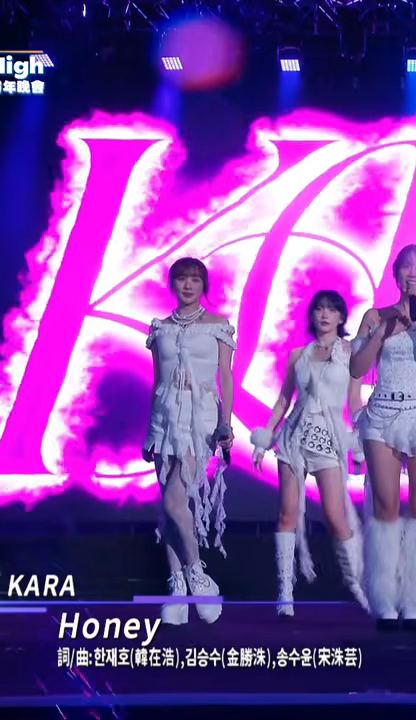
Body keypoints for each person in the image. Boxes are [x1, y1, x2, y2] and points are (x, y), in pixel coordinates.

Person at [349, 244, 416, 632]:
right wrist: (384, 329)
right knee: (386, 507)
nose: (413, 273)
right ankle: (385, 599)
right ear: (396, 274)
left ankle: (415, 600)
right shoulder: (375, 316)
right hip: (382, 415)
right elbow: (357, 366)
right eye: (406, 267)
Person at [251, 290, 370, 618]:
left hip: (329, 438)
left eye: (331, 310)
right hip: (293, 437)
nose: (324, 315)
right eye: (319, 309)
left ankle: (355, 584)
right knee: (287, 514)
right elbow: (283, 400)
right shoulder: (298, 355)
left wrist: (362, 441)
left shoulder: (351, 353)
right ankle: (285, 592)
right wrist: (264, 438)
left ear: (341, 317)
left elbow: (355, 401)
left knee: (335, 516)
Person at [142, 257, 236, 626]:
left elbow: (225, 377)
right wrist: (149, 430)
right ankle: (177, 588)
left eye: (195, 280)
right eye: (181, 279)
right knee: (167, 509)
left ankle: (198, 576)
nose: (187, 285)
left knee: (175, 499)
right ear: (172, 284)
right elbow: (157, 381)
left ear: (203, 286)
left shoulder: (218, 327)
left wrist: (226, 423)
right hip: (164, 418)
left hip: (202, 418)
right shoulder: (160, 328)